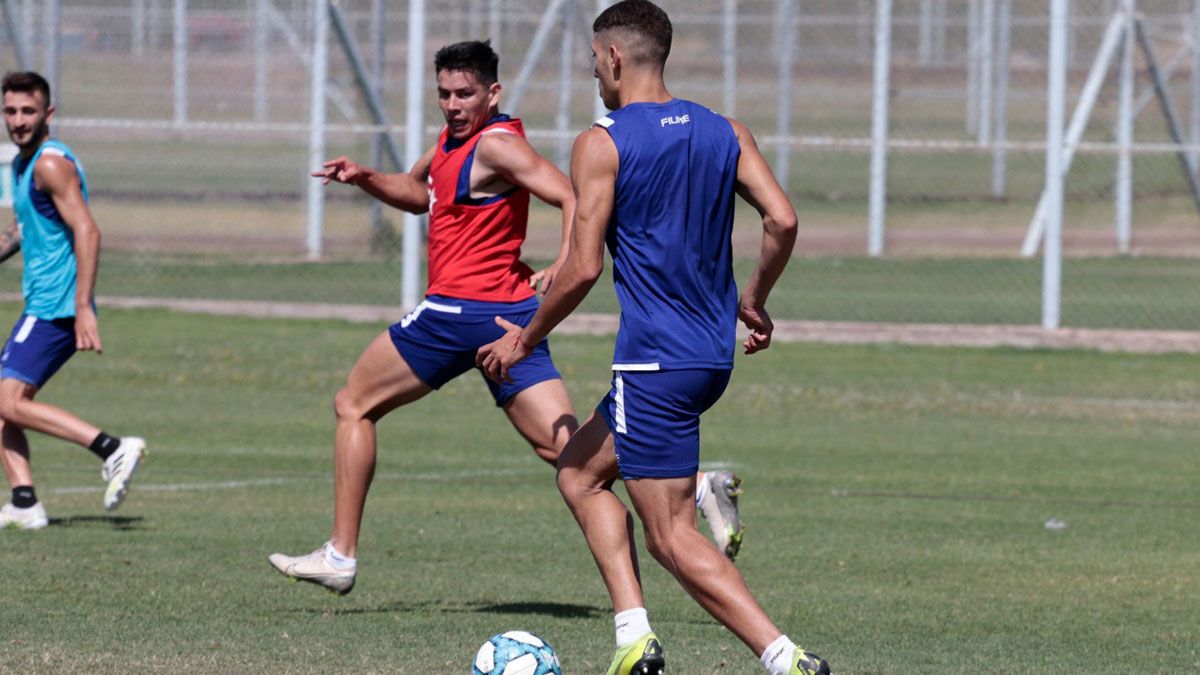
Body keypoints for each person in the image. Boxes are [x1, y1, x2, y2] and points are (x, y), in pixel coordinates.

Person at [267, 41, 744, 596]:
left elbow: (568, 195)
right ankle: (700, 486)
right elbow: (420, 194)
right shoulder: (452, 141)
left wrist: (565, 259)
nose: (452, 104)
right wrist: (365, 177)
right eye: (444, 94)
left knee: (354, 404)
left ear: (492, 93)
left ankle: (340, 554)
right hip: (509, 320)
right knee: (566, 453)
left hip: (456, 311)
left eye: (464, 93)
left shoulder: (497, 145)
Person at [476, 3, 831, 674]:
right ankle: (633, 637)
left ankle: (786, 659)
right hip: (709, 356)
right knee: (579, 473)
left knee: (670, 535)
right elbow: (782, 219)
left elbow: (584, 267)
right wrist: (754, 299)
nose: (594, 74)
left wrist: (524, 339)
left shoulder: (601, 142)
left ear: (613, 58)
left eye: (593, 61)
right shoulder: (726, 130)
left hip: (653, 361)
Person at [0, 71, 145, 531]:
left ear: (48, 113)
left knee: (7, 401)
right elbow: (26, 228)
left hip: (55, 306)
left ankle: (112, 447)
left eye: (28, 111)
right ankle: (24, 502)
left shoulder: (49, 164)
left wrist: (82, 307)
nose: (18, 120)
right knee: (5, 402)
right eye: (10, 111)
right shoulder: (24, 165)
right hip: (44, 302)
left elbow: (88, 230)